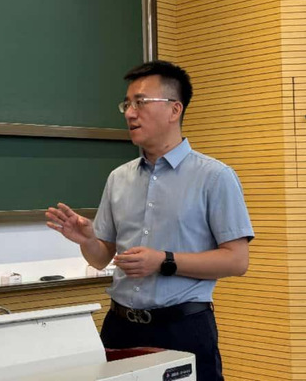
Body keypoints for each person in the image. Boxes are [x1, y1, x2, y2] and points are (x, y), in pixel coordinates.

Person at [46, 60, 253, 380]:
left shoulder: (214, 177)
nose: (130, 113)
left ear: (174, 109)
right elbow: (101, 258)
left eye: (140, 102)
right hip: (120, 328)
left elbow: (237, 261)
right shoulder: (118, 178)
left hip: (182, 328)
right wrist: (87, 240)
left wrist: (163, 261)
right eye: (127, 104)